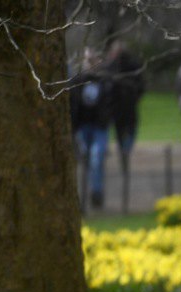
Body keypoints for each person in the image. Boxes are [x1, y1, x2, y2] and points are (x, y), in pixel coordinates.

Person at [70, 47, 113, 210]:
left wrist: (106, 118)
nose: (90, 63)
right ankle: (82, 197)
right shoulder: (77, 81)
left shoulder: (105, 81)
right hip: (82, 127)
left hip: (99, 128)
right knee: (84, 161)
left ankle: (96, 192)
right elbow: (73, 105)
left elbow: (110, 103)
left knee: (96, 158)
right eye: (87, 60)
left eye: (92, 60)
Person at [104, 40, 146, 169]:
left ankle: (124, 149)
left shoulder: (109, 66)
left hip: (116, 107)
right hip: (129, 105)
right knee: (131, 129)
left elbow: (105, 87)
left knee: (120, 132)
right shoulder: (134, 65)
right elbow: (142, 85)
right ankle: (126, 149)